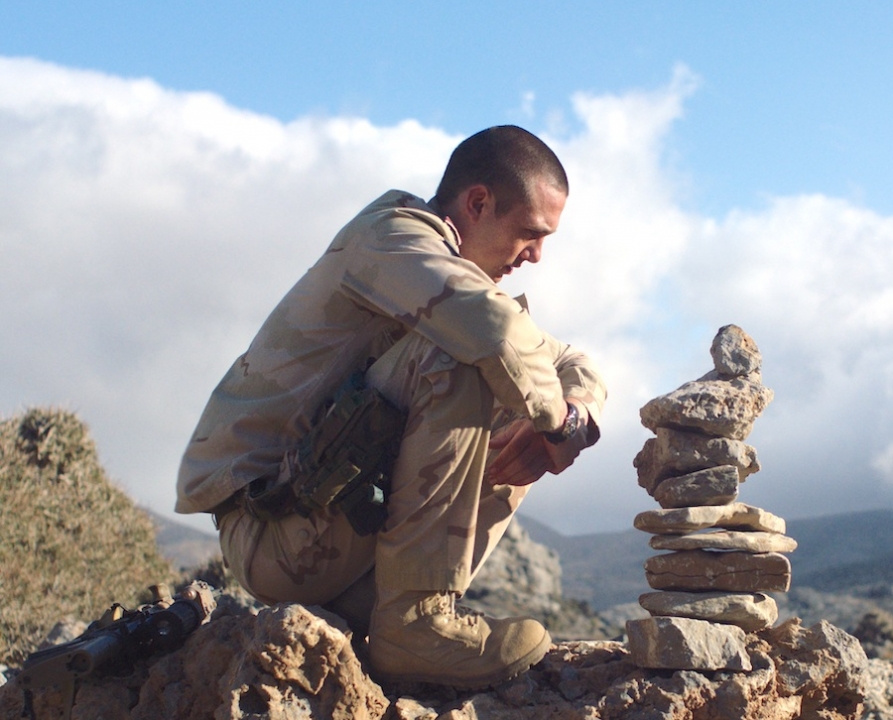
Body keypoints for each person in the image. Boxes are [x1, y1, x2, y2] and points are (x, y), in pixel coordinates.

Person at [174, 126, 606, 688]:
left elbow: (572, 360)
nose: (536, 256)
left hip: (330, 532)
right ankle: (416, 624)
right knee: (472, 358)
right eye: (529, 233)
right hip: (273, 533)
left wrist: (573, 415)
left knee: (525, 384)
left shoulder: (455, 278)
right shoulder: (391, 238)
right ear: (478, 203)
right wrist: (558, 424)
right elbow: (496, 334)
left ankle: (399, 616)